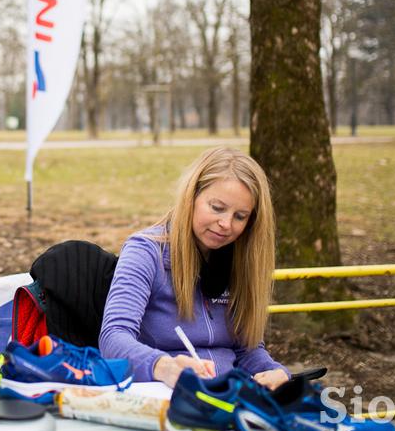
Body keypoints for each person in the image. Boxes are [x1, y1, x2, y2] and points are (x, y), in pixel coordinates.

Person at [99, 147, 290, 390]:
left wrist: (274, 372)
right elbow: (113, 339)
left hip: (230, 397)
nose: (226, 224)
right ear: (192, 197)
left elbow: (246, 350)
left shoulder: (240, 259)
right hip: (164, 395)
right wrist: (164, 367)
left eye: (240, 216)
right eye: (217, 208)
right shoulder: (145, 252)